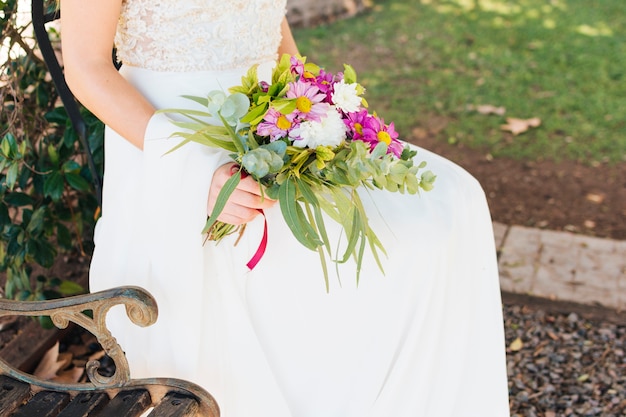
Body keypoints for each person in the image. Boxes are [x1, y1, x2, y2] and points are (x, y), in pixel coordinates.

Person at [60, 0, 510, 416]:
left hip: (274, 124)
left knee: (453, 199)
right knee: (347, 260)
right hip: (176, 143)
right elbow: (85, 66)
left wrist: (321, 111)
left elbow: (266, 26)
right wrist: (195, 171)